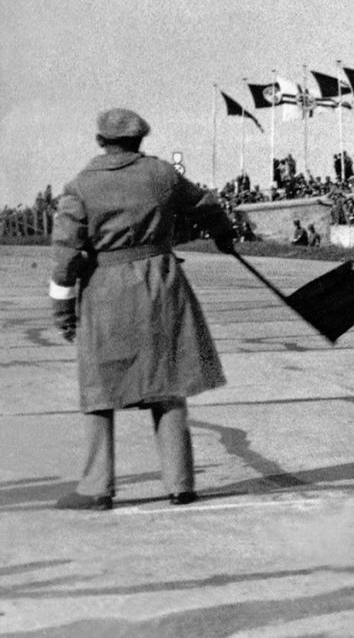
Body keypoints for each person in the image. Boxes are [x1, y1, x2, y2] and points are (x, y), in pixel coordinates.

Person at [49, 108, 234, 511]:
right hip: (161, 284)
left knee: (99, 389)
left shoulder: (80, 186)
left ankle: (97, 488)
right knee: (168, 381)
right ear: (139, 140)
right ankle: (180, 484)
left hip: (105, 291)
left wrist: (62, 310)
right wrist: (223, 233)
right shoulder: (161, 174)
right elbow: (204, 204)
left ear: (101, 141)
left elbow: (65, 256)